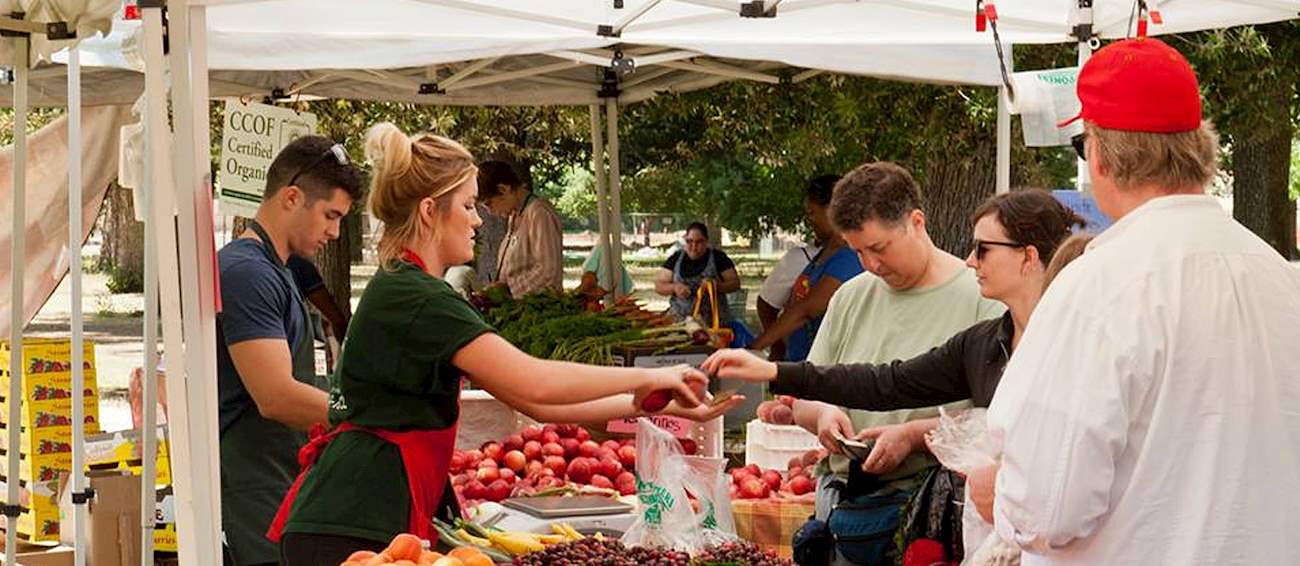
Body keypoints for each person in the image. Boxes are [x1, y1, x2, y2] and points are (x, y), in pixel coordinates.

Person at [271, 124, 740, 566]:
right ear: (431, 210)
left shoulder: (405, 287)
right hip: (353, 520)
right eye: (469, 205)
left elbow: (532, 401)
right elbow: (532, 380)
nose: (478, 220)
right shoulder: (415, 295)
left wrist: (651, 405)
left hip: (364, 512)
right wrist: (650, 375)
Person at [978, 37, 1300, 565]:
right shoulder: (1278, 275)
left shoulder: (1099, 285)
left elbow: (1048, 506)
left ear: (1099, 154)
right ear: (1200, 148)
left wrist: (999, 493)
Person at [704, 189, 1086, 558]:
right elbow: (888, 382)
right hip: (989, 537)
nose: (971, 260)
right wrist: (773, 371)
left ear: (1028, 257)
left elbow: (1080, 461)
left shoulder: (1076, 343)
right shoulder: (984, 343)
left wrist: (1003, 482)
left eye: (983, 249)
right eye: (859, 252)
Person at [779, 162, 1004, 565]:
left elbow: (999, 419)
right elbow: (803, 397)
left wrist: (912, 436)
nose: (871, 265)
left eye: (879, 248)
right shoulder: (850, 296)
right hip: (844, 511)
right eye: (857, 252)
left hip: (932, 521)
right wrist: (823, 415)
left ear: (916, 222)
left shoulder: (982, 297)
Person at [215, 135, 365, 566]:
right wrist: (365, 416)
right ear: (292, 197)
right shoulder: (247, 272)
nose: (335, 233)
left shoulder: (276, 270)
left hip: (278, 480)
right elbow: (276, 395)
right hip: (252, 489)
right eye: (330, 216)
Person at [749, 174, 862, 361]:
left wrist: (754, 347)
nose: (810, 220)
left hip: (824, 372)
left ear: (832, 210)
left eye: (812, 213)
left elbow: (806, 310)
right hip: (801, 365)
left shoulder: (851, 256)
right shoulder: (824, 252)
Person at [477, 160, 563, 298]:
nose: (491, 212)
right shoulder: (514, 215)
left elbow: (548, 272)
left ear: (503, 189)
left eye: (489, 204)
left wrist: (507, 290)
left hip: (538, 309)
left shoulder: (539, 213)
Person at [654, 222, 741, 322]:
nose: (694, 247)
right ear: (685, 240)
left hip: (714, 324)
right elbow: (659, 286)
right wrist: (674, 287)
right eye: (689, 241)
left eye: (699, 242)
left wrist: (717, 286)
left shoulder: (719, 258)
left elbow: (735, 284)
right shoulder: (676, 258)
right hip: (680, 321)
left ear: (706, 242)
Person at [756, 243, 817, 361]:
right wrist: (777, 346)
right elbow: (766, 304)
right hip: (801, 359)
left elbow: (805, 311)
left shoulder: (847, 258)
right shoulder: (801, 257)